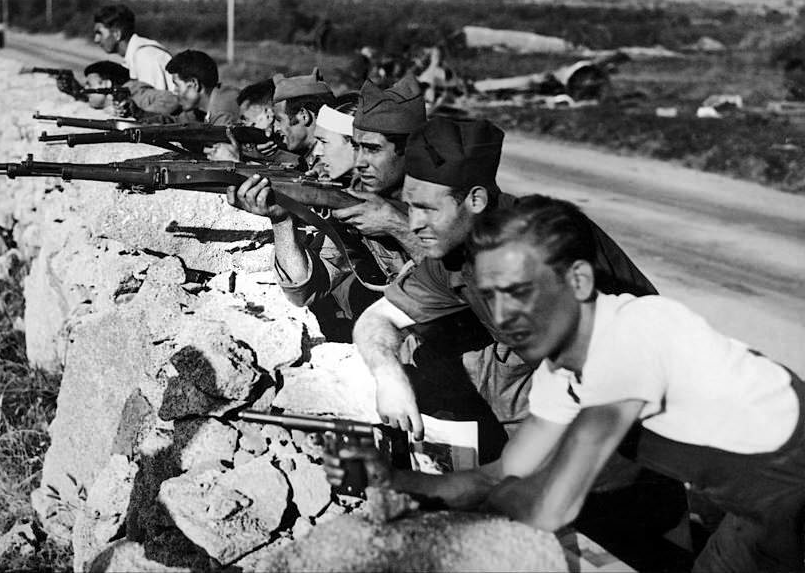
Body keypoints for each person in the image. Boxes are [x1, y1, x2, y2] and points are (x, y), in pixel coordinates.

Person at [333, 195, 805, 573]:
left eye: (522, 293)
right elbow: (497, 477)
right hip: (754, 507)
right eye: (490, 297)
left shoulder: (633, 336)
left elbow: (551, 504)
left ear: (579, 281)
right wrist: (396, 481)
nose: (502, 318)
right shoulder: (561, 371)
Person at [355, 116, 656, 449]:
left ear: (476, 200)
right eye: (410, 208)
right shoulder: (452, 254)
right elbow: (376, 319)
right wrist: (389, 378)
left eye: (427, 209)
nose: (413, 224)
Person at [226, 74, 427, 334]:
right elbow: (304, 291)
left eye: (324, 143)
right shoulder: (358, 203)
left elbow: (463, 287)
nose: (317, 155)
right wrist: (281, 220)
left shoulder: (435, 200)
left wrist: (397, 227)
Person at [92, 4, 175, 92]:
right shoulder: (135, 55)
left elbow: (156, 101)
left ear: (117, 34)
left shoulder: (145, 57)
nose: (96, 39)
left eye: (99, 33)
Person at [165, 49, 240, 127]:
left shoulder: (223, 112)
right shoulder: (203, 108)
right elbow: (177, 121)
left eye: (177, 85)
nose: (174, 91)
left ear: (194, 84)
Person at [82, 60, 180, 118]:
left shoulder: (134, 93)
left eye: (89, 84)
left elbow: (172, 99)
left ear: (106, 84)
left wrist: (139, 113)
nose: (85, 88)